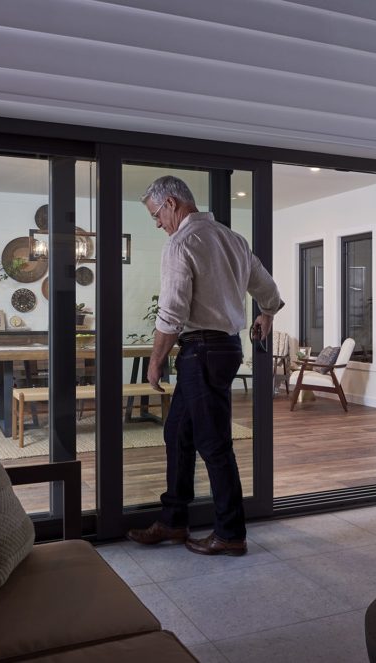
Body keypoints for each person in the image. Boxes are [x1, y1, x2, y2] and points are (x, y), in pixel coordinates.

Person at [126, 176, 283, 556]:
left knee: (213, 443)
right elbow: (268, 290)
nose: (158, 224)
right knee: (178, 434)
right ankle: (173, 522)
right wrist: (267, 314)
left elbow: (172, 312)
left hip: (202, 351)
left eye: (156, 216)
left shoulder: (181, 243)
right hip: (224, 348)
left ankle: (230, 534)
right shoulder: (233, 239)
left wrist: (155, 362)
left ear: (172, 204)